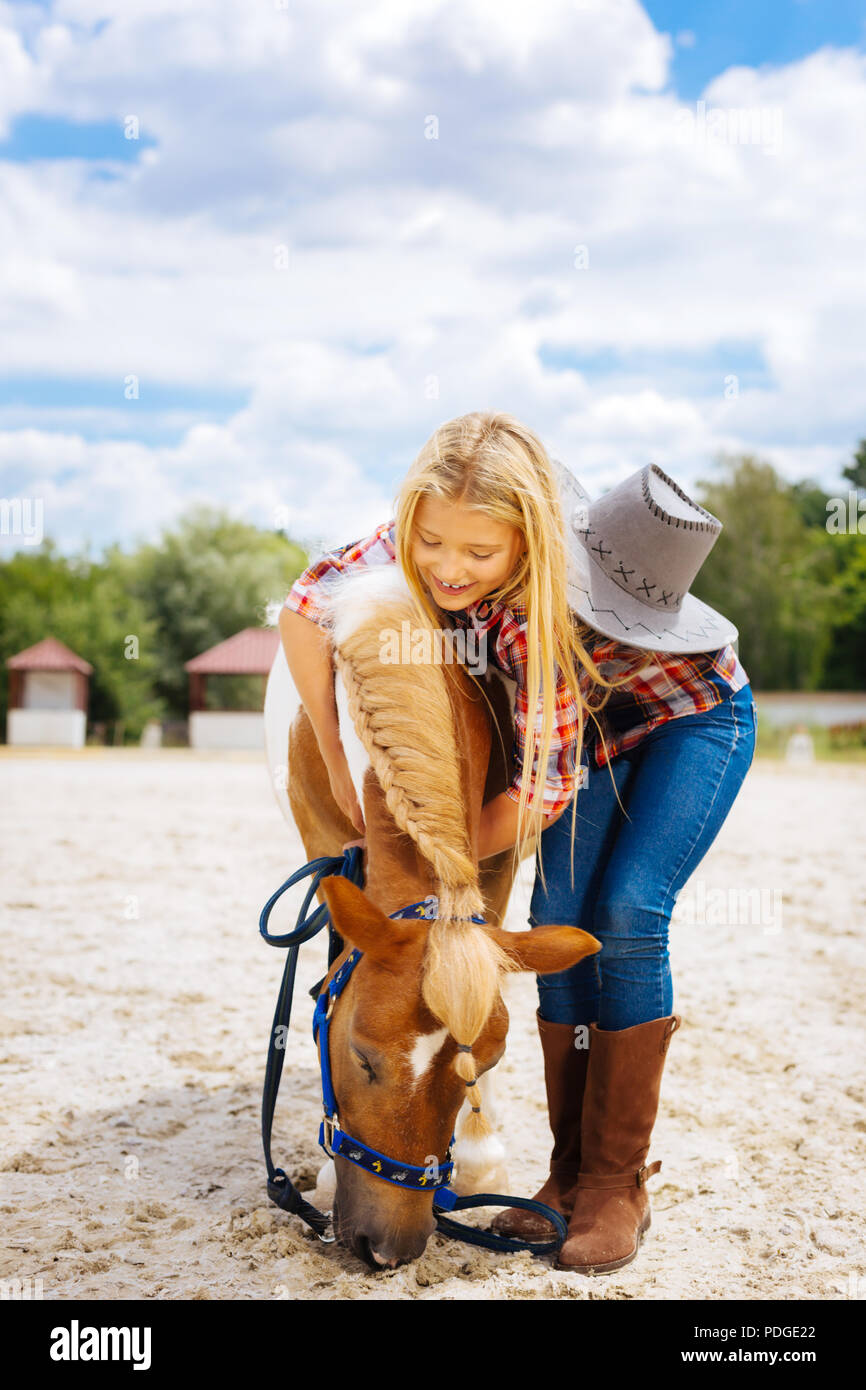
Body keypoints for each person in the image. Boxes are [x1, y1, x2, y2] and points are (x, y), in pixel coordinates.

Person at [278, 410, 756, 1275]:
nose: (448, 569)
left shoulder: (539, 629)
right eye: (434, 545)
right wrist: (337, 757)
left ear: (524, 542)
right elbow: (307, 602)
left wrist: (454, 880)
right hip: (594, 735)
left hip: (690, 719)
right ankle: (564, 1175)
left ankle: (615, 1183)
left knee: (628, 910)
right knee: (560, 913)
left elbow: (537, 795)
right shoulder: (440, 529)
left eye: (478, 555)